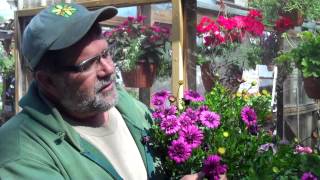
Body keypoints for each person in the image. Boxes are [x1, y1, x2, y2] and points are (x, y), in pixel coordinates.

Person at [0, 3, 155, 179]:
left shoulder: (128, 107)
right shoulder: (21, 152)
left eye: (105, 53)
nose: (109, 69)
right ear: (48, 81)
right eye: (88, 64)